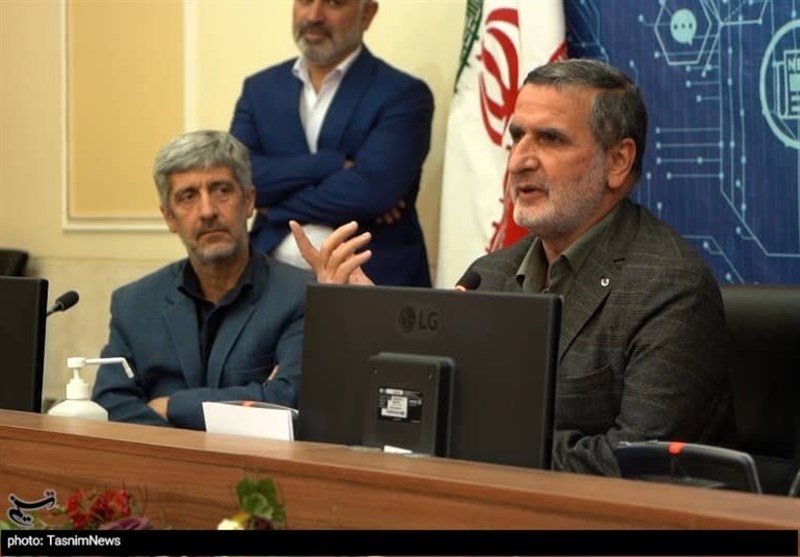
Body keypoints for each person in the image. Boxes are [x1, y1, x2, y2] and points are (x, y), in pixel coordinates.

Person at [290, 58, 735, 476]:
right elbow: (428, 417)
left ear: (617, 161)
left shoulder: (669, 288)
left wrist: (482, 440)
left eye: (551, 139)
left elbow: (637, 463)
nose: (519, 161)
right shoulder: (490, 275)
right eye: (517, 136)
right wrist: (371, 331)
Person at [92, 130, 313, 430]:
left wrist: (172, 406)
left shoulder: (299, 296)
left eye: (222, 190)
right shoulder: (134, 304)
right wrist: (252, 398)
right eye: (188, 196)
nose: (208, 211)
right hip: (160, 461)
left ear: (249, 201)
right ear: (170, 217)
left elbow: (288, 402)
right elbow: (110, 407)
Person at [229, 0, 434, 287]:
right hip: (269, 283)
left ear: (367, 14)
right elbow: (239, 178)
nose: (314, 15)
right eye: (305, 1)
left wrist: (271, 207)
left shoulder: (403, 94)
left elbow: (370, 193)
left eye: (334, 3)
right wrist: (331, 163)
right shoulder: (260, 89)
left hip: (371, 283)